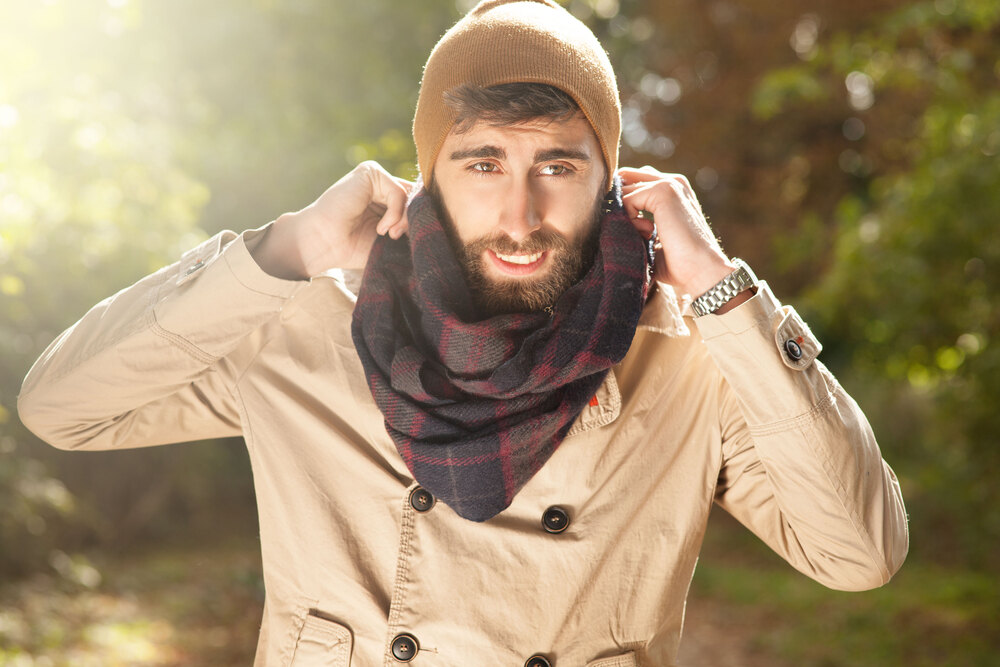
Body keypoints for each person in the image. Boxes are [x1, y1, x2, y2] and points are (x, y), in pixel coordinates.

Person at [18, 0, 908, 665]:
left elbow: (859, 554)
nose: (519, 214)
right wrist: (282, 250)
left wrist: (722, 289)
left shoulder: (691, 361)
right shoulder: (304, 322)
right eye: (482, 163)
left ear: (613, 180)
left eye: (556, 164)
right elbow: (63, 408)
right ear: (429, 175)